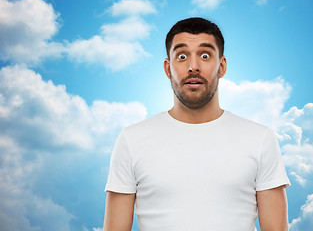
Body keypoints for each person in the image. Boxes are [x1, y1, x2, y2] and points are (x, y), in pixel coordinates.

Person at [103, 17, 290, 231]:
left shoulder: (260, 139)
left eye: (205, 55)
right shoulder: (131, 140)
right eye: (182, 56)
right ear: (168, 68)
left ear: (221, 66)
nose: (194, 66)